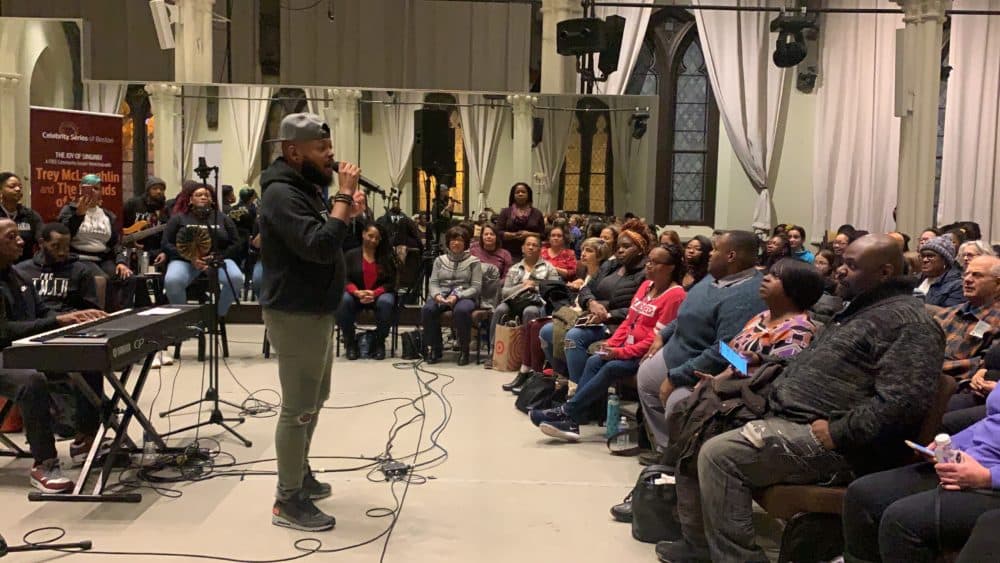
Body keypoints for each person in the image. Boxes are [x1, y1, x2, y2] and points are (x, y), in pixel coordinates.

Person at [660, 234, 945, 563]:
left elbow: (903, 402)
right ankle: (698, 545)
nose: (839, 272)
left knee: (718, 454)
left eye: (851, 266)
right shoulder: (858, 311)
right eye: (841, 264)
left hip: (837, 444)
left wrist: (838, 431)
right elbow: (736, 353)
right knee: (696, 420)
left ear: (884, 273)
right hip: (785, 411)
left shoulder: (909, 323)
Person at [258, 112, 364, 531]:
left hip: (316, 309)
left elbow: (325, 236)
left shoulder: (304, 187)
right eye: (321, 149)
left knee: (316, 397)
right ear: (292, 151)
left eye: (329, 147)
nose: (331, 155)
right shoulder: (281, 194)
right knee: (298, 407)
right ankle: (287, 500)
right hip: (295, 311)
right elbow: (318, 248)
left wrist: (345, 213)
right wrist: (342, 199)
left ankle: (299, 473)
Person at [530, 243, 687, 440]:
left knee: (611, 366)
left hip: (644, 355)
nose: (649, 265)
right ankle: (572, 418)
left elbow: (653, 340)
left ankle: (568, 413)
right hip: (625, 346)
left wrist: (619, 353)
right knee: (595, 360)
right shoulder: (646, 286)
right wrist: (612, 343)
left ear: (671, 267)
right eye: (649, 261)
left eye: (656, 262)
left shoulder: (676, 295)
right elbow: (629, 322)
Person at [0, 218, 107, 493]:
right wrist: (57, 322)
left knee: (87, 356)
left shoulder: (18, 276)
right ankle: (44, 463)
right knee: (31, 381)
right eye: (12, 237)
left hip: (22, 350)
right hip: (5, 354)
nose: (20, 241)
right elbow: (4, 331)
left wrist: (69, 320)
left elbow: (42, 312)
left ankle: (86, 437)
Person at [842, 378, 1000, 562]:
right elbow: (993, 422)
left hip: (990, 480)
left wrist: (986, 477)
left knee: (901, 520)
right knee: (862, 495)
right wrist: (952, 445)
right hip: (970, 462)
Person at [637, 231, 767, 453]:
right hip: (678, 350)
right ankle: (665, 447)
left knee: (678, 405)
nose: (710, 254)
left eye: (715, 249)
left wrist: (676, 376)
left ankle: (678, 459)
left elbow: (725, 351)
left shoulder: (746, 295)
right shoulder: (713, 277)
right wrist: (664, 335)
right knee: (646, 381)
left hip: (703, 367)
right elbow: (686, 313)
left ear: (731, 256)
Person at [562, 219, 651, 382]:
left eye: (626, 247)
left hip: (616, 324)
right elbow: (586, 289)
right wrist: (591, 302)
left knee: (574, 336)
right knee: (547, 331)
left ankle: (578, 390)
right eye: (618, 247)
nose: (620, 251)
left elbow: (638, 310)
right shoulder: (611, 265)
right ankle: (569, 383)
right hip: (592, 316)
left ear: (640, 250)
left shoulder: (645, 274)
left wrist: (607, 314)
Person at [937, 256, 1000, 434]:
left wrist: (932, 367)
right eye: (966, 274)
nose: (967, 279)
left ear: (997, 284)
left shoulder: (997, 320)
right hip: (926, 375)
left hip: (959, 386)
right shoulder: (947, 314)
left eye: (977, 275)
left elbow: (982, 365)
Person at [161, 185, 244, 318]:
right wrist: (191, 258)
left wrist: (217, 257)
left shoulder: (222, 218)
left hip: (218, 260)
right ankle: (184, 320)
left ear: (212, 200)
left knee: (236, 279)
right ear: (190, 200)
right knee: (172, 281)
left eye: (207, 195)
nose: (204, 197)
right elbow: (166, 243)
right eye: (199, 195)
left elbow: (236, 243)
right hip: (186, 260)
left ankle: (218, 315)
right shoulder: (179, 219)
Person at [58, 174, 134, 311]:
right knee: (102, 279)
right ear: (81, 189)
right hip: (78, 258)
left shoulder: (108, 215)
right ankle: (103, 317)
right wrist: (79, 216)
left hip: (103, 258)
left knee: (127, 277)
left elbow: (116, 243)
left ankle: (123, 314)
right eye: (89, 188)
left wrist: (121, 262)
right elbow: (64, 235)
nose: (93, 191)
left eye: (97, 188)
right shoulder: (69, 210)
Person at [490, 234, 560, 375]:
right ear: (522, 248)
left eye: (534, 245)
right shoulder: (515, 268)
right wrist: (523, 286)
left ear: (540, 249)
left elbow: (554, 290)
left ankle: (528, 356)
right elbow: (505, 292)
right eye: (528, 244)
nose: (531, 247)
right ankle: (494, 351)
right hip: (514, 301)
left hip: (536, 302)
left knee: (530, 312)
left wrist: (535, 287)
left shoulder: (549, 268)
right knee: (500, 309)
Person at [422, 226, 482, 365]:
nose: (456, 243)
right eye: (453, 240)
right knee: (428, 309)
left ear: (465, 243)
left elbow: (476, 287)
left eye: (460, 240)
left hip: (465, 296)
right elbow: (433, 282)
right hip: (442, 294)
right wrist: (436, 295)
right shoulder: (439, 260)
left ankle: (464, 350)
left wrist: (457, 296)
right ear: (448, 242)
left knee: (461, 310)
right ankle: (435, 348)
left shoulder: (474, 262)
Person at [336, 223, 396, 361]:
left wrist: (375, 293)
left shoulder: (385, 256)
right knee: (343, 300)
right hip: (356, 295)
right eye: (370, 236)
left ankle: (379, 342)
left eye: (377, 238)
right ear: (363, 234)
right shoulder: (351, 255)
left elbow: (392, 282)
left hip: (378, 295)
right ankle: (350, 343)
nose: (373, 240)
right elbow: (344, 278)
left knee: (387, 302)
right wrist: (356, 292)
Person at [15, 223, 101, 312]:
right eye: (55, 246)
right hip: (35, 321)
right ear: (41, 243)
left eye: (66, 246)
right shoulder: (22, 270)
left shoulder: (81, 271)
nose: (62, 252)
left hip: (69, 320)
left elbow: (91, 310)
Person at [122, 176, 170, 268]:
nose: (159, 191)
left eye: (161, 189)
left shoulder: (166, 209)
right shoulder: (133, 204)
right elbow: (120, 224)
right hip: (133, 251)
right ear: (148, 190)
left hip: (156, 252)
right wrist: (128, 240)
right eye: (155, 188)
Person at [0, 172, 43, 264]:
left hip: (24, 267)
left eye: (20, 186)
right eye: (12, 186)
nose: (18, 189)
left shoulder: (31, 216)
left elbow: (42, 242)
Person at [495, 183, 544, 262]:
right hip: (509, 253)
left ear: (528, 194)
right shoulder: (505, 212)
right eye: (517, 192)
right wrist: (512, 235)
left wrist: (529, 234)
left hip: (532, 253)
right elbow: (497, 232)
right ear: (513, 195)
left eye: (523, 192)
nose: (520, 194)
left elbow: (543, 235)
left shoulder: (537, 213)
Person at [916, 235, 965, 308]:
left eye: (930, 256)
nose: (925, 260)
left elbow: (948, 315)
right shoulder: (916, 279)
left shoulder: (957, 286)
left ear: (945, 260)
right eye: (922, 256)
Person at [376, 195, 423, 259]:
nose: (396, 205)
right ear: (392, 204)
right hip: (392, 238)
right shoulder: (387, 215)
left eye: (397, 203)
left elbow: (409, 227)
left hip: (403, 238)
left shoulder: (403, 215)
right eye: (394, 203)